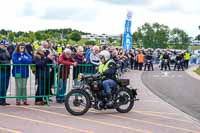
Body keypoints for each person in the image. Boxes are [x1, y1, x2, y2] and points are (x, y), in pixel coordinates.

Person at [0, 40, 11, 106]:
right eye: (4, 45)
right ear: (1, 44)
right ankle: (1, 100)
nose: (6, 47)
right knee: (2, 86)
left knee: (5, 86)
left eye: (6, 45)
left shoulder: (6, 51)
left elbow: (9, 59)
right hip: (1, 70)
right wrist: (6, 63)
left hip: (7, 70)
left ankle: (3, 100)